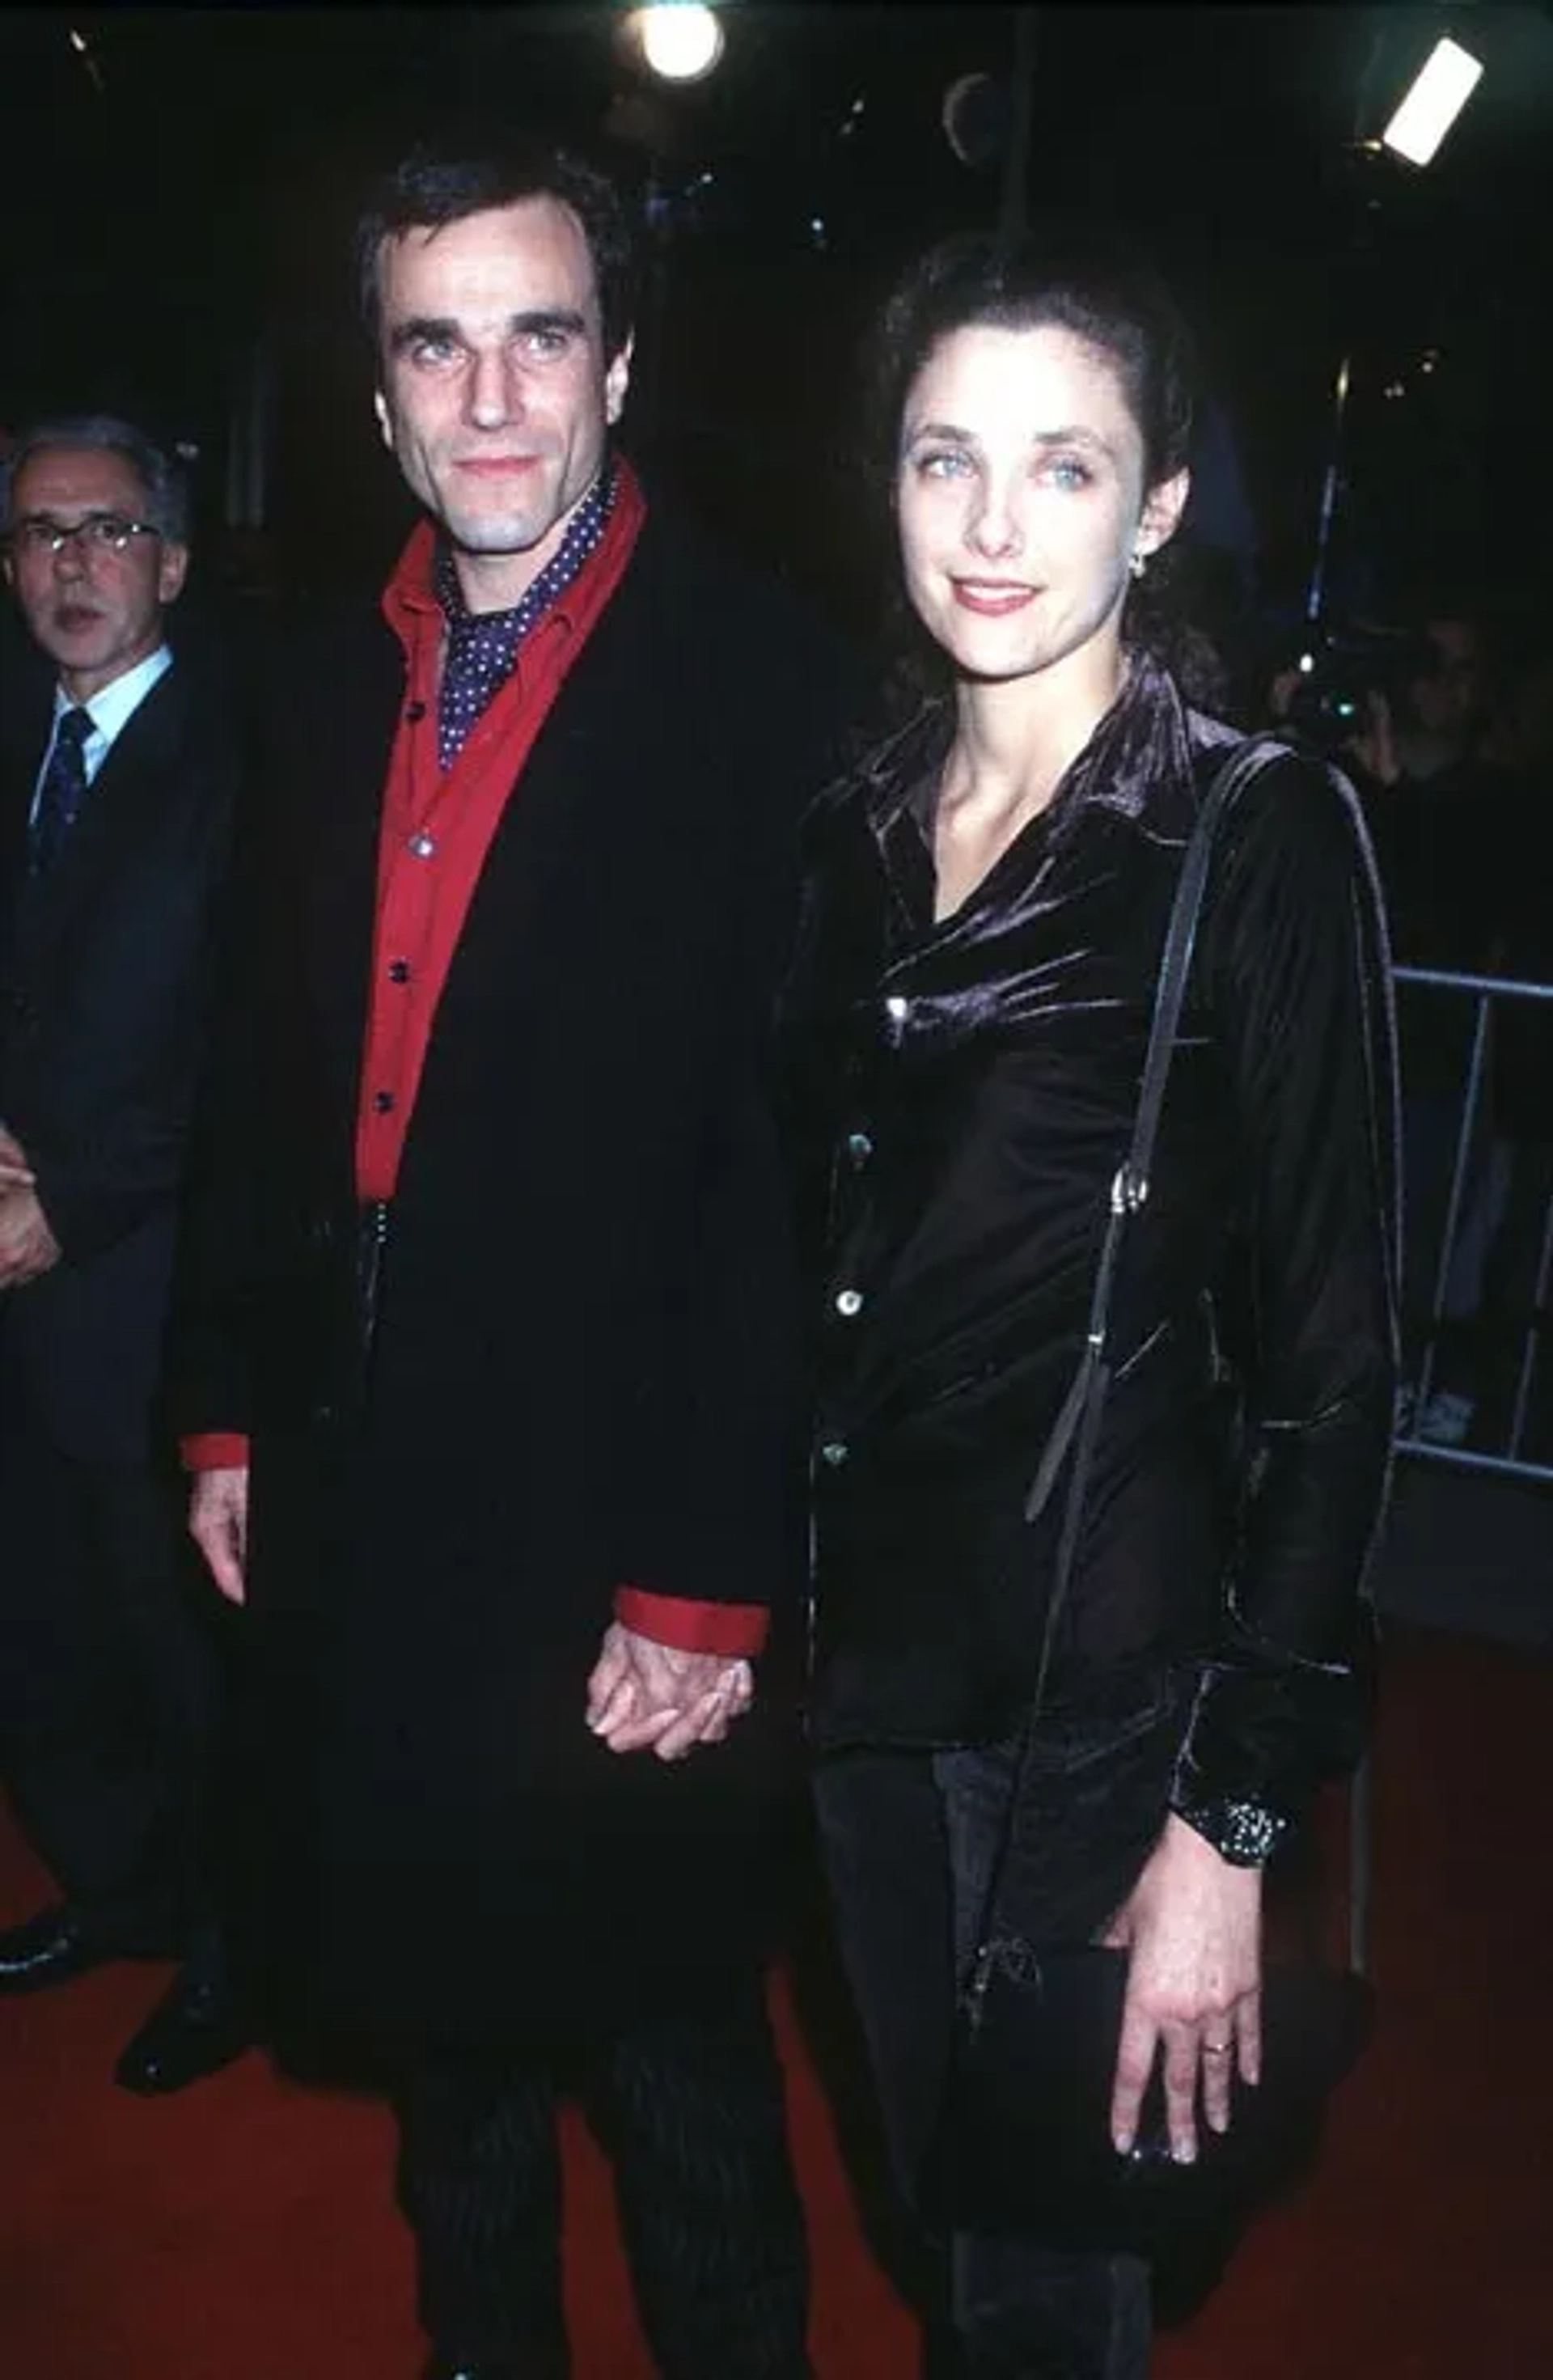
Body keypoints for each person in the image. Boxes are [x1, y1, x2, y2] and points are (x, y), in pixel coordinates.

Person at [171, 137, 859, 2380]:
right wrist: (226, 1404)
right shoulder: (305, 673)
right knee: (438, 2031)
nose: (487, 396)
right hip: (371, 1488)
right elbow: (258, 1078)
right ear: (374, 394)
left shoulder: (772, 682)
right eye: (434, 341)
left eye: (537, 333)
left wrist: (705, 1572)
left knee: (670, 2071)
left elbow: (793, 1164)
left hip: (622, 1503)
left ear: (620, 364)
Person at [779, 228, 1399, 2378]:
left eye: (1063, 466)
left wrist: (1231, 1819)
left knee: (1050, 2273)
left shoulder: (1251, 829)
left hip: (1099, 1688)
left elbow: (1336, 1361)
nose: (991, 521)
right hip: (866, 1654)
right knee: (938, 2191)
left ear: (1152, 506)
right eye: (947, 457)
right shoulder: (856, 825)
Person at [0, 415, 246, 2092]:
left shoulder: (241, 761)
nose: (72, 565)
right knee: (47, 1632)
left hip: (154, 1290)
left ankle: (235, 1950)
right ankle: (119, 1889)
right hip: (16, 1295)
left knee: (183, 1653)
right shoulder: (21, 733)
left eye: (107, 532)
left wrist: (64, 1200)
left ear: (170, 558)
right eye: (38, 534)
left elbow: (251, 1058)